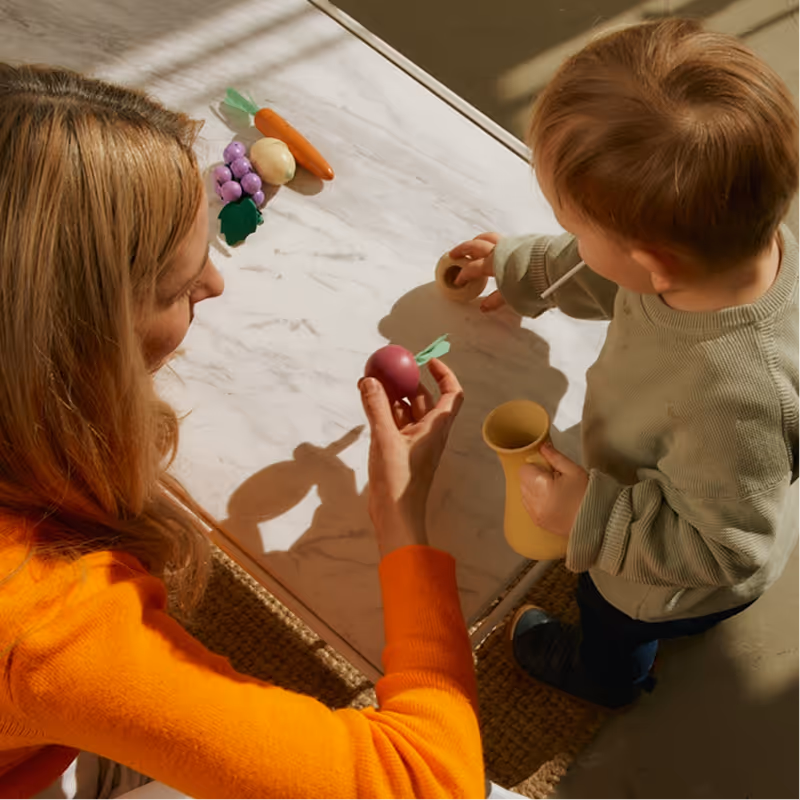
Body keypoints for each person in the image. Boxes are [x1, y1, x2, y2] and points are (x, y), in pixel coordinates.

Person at [0, 64, 487, 800]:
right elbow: (429, 783)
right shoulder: (49, 622)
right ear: (74, 341)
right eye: (177, 286)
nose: (215, 286)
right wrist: (406, 529)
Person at [450, 18, 800, 710]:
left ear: (655, 263)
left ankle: (609, 678)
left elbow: (730, 549)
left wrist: (591, 515)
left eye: (579, 228)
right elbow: (611, 273)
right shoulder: (729, 244)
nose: (572, 238)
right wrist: (524, 266)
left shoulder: (728, 397)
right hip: (703, 475)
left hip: (669, 575)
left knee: (613, 622)